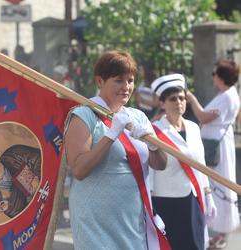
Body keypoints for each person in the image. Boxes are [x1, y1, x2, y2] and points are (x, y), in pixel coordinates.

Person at [64, 50, 170, 250]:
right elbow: (79, 169)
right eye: (119, 81)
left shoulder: (138, 117)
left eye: (130, 81)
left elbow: (161, 164)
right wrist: (111, 136)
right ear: (100, 81)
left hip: (133, 221)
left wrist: (153, 145)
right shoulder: (84, 115)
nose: (126, 87)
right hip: (96, 224)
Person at [150, 73, 217, 250]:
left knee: (195, 244)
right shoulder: (154, 132)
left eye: (182, 98)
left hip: (193, 197)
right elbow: (149, 170)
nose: (179, 102)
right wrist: (149, 207)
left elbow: (200, 164)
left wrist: (208, 193)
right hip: (167, 201)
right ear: (162, 103)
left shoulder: (194, 128)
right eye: (173, 99)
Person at [187, 59, 240, 249]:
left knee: (217, 183)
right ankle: (220, 231)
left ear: (221, 77)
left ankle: (220, 229)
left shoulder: (226, 96)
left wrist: (191, 99)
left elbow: (203, 117)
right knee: (218, 182)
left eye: (214, 73)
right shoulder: (228, 94)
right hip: (218, 143)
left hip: (216, 146)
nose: (212, 77)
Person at [0, 142, 41, 218]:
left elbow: (37, 156)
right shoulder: (0, 192)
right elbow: (17, 212)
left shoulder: (12, 154)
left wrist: (37, 176)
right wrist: (8, 207)